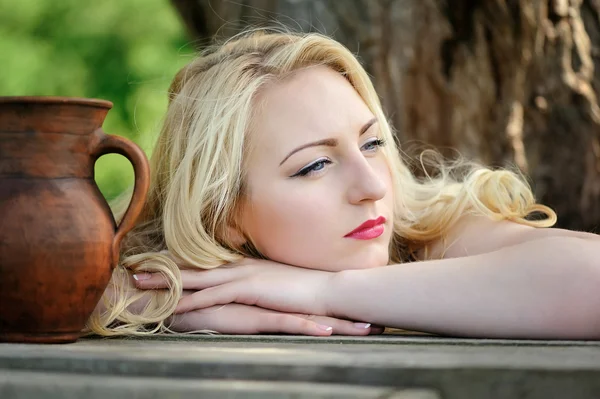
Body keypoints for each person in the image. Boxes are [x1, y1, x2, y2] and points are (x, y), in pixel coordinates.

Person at [87, 30, 600, 339]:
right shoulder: (202, 278)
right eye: (315, 166)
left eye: (372, 143)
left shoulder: (432, 227)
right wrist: (156, 306)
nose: (372, 185)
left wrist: (324, 290)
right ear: (224, 216)